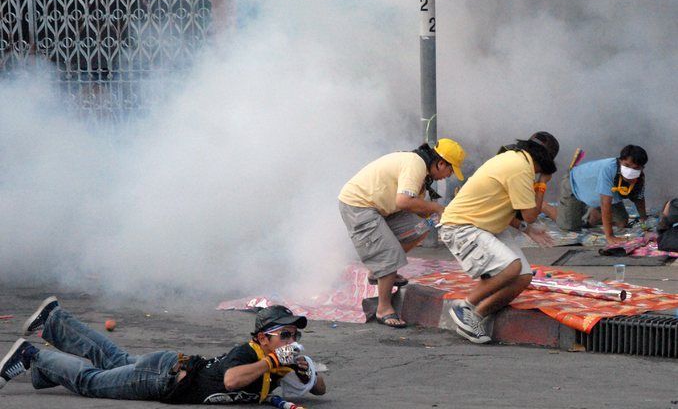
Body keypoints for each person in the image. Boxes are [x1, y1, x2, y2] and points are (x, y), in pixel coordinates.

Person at [0, 297, 326, 404]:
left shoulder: (280, 360)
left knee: (113, 360)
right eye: (284, 333)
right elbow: (231, 381)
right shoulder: (250, 353)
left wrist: (301, 366)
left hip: (168, 365)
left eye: (294, 334)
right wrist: (271, 362)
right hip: (163, 379)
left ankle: (55, 321)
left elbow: (320, 388)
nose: (291, 339)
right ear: (264, 338)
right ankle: (32, 356)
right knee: (92, 382)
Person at [439, 131, 559, 344]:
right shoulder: (521, 168)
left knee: (523, 276)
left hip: (484, 225)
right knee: (510, 267)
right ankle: (463, 306)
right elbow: (531, 215)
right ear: (547, 161)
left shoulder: (514, 158)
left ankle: (475, 316)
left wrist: (525, 229)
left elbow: (500, 207)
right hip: (461, 226)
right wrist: (543, 184)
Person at [338, 138, 466, 328]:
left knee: (420, 228)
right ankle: (383, 308)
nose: (447, 176)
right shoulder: (415, 164)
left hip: (382, 209)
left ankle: (379, 272)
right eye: (450, 170)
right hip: (359, 205)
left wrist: (441, 214)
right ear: (440, 163)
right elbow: (404, 202)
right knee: (389, 254)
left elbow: (415, 209)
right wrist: (437, 208)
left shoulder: (422, 170)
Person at [542, 145, 648, 245]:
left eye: (635, 168)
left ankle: (592, 212)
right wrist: (610, 236)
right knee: (569, 226)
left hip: (599, 193)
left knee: (621, 221)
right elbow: (605, 203)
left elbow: (639, 199)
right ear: (620, 161)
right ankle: (542, 205)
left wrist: (644, 225)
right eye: (627, 165)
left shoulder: (639, 179)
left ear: (642, 168)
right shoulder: (609, 169)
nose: (630, 171)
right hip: (575, 185)